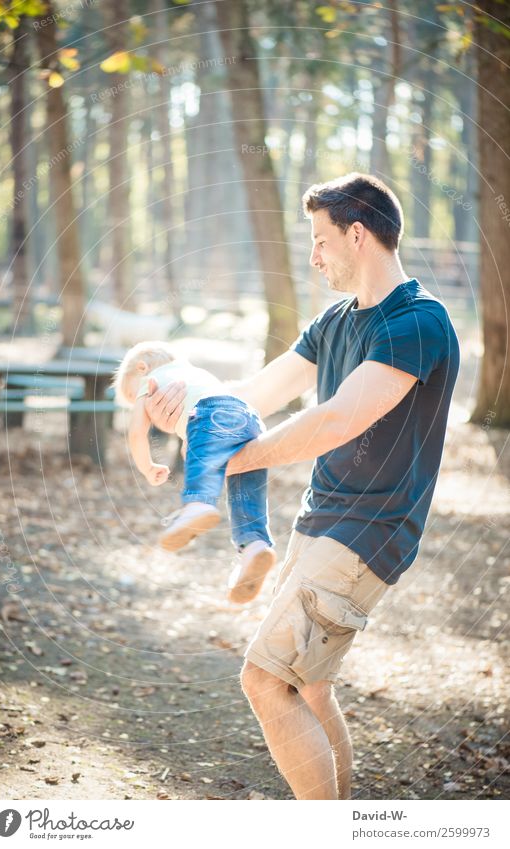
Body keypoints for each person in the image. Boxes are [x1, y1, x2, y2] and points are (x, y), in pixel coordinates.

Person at [143, 172, 460, 800]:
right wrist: (196, 406)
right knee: (309, 687)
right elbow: (258, 393)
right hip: (321, 522)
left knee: (266, 681)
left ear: (358, 234)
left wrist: (230, 461)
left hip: (367, 533)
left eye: (320, 241)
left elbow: (337, 418)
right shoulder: (334, 321)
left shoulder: (417, 324)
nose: (313, 257)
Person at [112, 343, 276, 604]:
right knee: (244, 486)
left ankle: (198, 504)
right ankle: (254, 545)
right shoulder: (195, 373)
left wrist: (147, 467)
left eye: (134, 399)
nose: (139, 406)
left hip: (210, 412)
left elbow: (136, 433)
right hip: (251, 417)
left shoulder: (150, 379)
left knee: (202, 462)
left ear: (142, 368)